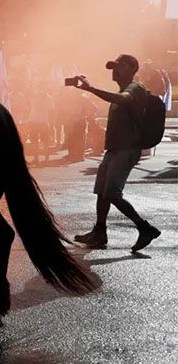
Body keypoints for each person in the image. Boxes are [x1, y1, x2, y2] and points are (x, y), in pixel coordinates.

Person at [71, 54, 161, 251]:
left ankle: (144, 228)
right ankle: (99, 232)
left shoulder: (134, 89)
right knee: (102, 193)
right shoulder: (122, 90)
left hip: (126, 150)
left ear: (132, 68)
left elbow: (123, 99)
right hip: (113, 150)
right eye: (113, 67)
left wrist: (90, 88)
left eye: (119, 66)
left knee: (112, 193)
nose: (115, 70)